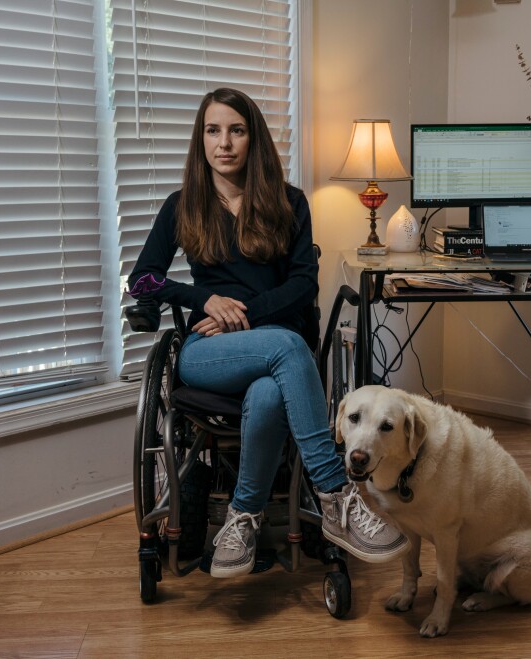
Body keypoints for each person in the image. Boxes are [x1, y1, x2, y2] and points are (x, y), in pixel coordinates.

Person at [128, 87, 409, 578]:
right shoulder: (183, 205)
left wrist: (246, 314)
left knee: (269, 390)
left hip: (275, 357)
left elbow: (303, 285)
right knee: (288, 345)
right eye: (213, 131)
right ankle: (336, 497)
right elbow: (143, 279)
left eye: (236, 130)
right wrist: (203, 300)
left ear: (252, 137)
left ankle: (242, 519)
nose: (225, 143)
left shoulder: (288, 202)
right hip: (209, 354)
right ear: (201, 140)